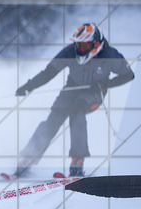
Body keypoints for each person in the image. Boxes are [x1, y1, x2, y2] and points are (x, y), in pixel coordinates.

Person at [8, 23, 134, 178]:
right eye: (78, 44)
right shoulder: (70, 51)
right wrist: (28, 86)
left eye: (84, 45)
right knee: (54, 118)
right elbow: (49, 72)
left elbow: (129, 75)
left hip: (93, 94)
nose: (79, 48)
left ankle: (77, 160)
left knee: (77, 112)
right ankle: (30, 156)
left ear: (95, 44)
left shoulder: (110, 55)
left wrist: (105, 84)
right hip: (71, 90)